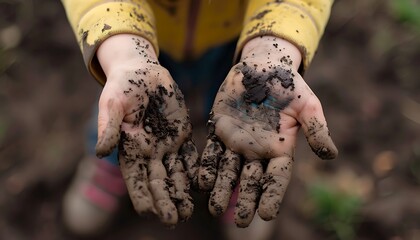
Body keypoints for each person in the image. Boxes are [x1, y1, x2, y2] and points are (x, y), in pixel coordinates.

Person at [60, 0, 338, 238]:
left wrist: (273, 47)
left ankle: (239, 170)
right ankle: (112, 162)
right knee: (130, 107)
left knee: (233, 106)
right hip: (137, 33)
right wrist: (124, 54)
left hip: (239, 37)